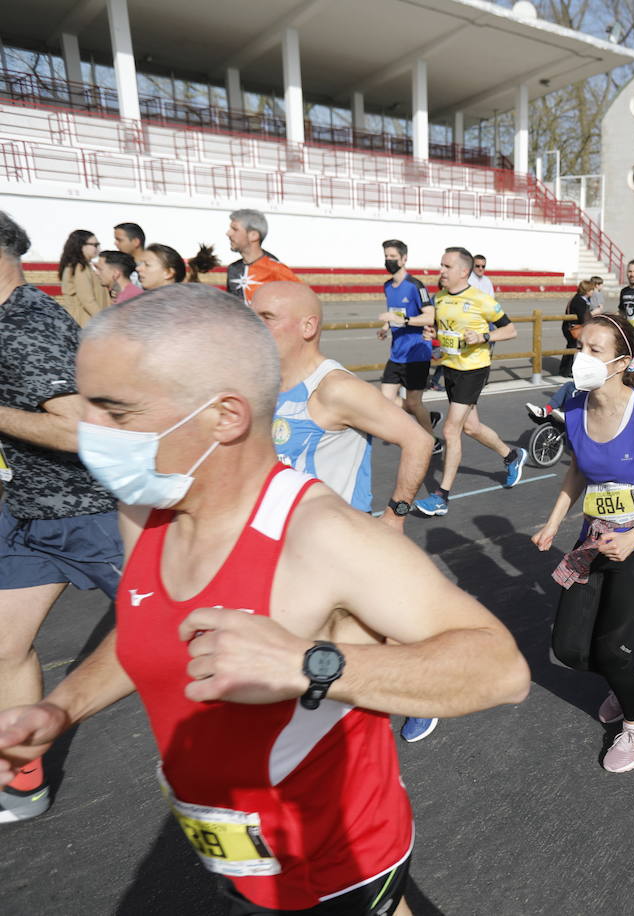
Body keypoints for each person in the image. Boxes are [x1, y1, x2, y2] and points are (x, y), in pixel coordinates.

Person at [0, 283, 530, 913]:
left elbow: (501, 670)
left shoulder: (322, 535)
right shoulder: (143, 508)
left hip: (338, 870)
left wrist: (308, 664)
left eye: (117, 412)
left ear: (224, 415)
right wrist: (61, 708)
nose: (88, 429)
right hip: (237, 862)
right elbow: (151, 621)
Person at [0, 212, 124, 824]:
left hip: (89, 511)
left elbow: (84, 432)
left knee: (191, 633)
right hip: (29, 513)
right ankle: (22, 777)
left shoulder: (23, 326)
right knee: (3, 648)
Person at [532, 314, 634, 772]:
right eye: (580, 346)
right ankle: (633, 679)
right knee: (568, 650)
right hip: (594, 541)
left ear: (622, 361)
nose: (581, 357)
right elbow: (578, 469)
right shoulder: (577, 405)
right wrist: (553, 523)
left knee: (607, 650)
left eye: (594, 350)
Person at [255, 280, 433, 525]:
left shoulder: (336, 389)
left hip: (334, 544)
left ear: (308, 326)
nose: (254, 325)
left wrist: (395, 516)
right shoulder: (263, 383)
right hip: (282, 537)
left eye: (267, 317)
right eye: (251, 315)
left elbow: (419, 441)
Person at [413, 247, 528, 517]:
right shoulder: (439, 299)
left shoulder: (481, 299)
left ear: (463, 271)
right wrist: (433, 336)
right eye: (440, 265)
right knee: (472, 428)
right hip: (451, 369)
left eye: (447, 266)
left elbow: (510, 330)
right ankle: (512, 456)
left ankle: (441, 496)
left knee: (451, 430)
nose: (441, 271)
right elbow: (442, 331)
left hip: (474, 370)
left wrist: (483, 337)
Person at [375, 239, 440, 453]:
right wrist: (386, 327)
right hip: (396, 354)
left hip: (417, 354)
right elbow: (394, 312)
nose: (389, 260)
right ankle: (426, 416)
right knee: (385, 400)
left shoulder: (415, 286)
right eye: (386, 256)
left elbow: (429, 316)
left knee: (413, 403)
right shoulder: (387, 286)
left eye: (393, 257)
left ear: (404, 259)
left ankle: (432, 442)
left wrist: (404, 321)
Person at [224, 208, 300, 304]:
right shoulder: (233, 269)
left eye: (235, 229)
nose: (228, 233)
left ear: (254, 235)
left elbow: (304, 300)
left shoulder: (276, 268)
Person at [57, 229, 107, 326]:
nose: (98, 248)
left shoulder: (84, 267)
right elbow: (87, 300)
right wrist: (105, 320)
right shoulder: (79, 268)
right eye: (94, 245)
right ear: (81, 246)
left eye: (98, 244)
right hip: (85, 324)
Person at [561, 279, 597, 377]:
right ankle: (567, 370)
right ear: (587, 291)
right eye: (591, 290)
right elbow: (583, 317)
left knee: (571, 347)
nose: (593, 292)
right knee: (572, 348)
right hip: (572, 328)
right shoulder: (579, 301)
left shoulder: (580, 299)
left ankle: (565, 370)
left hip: (571, 327)